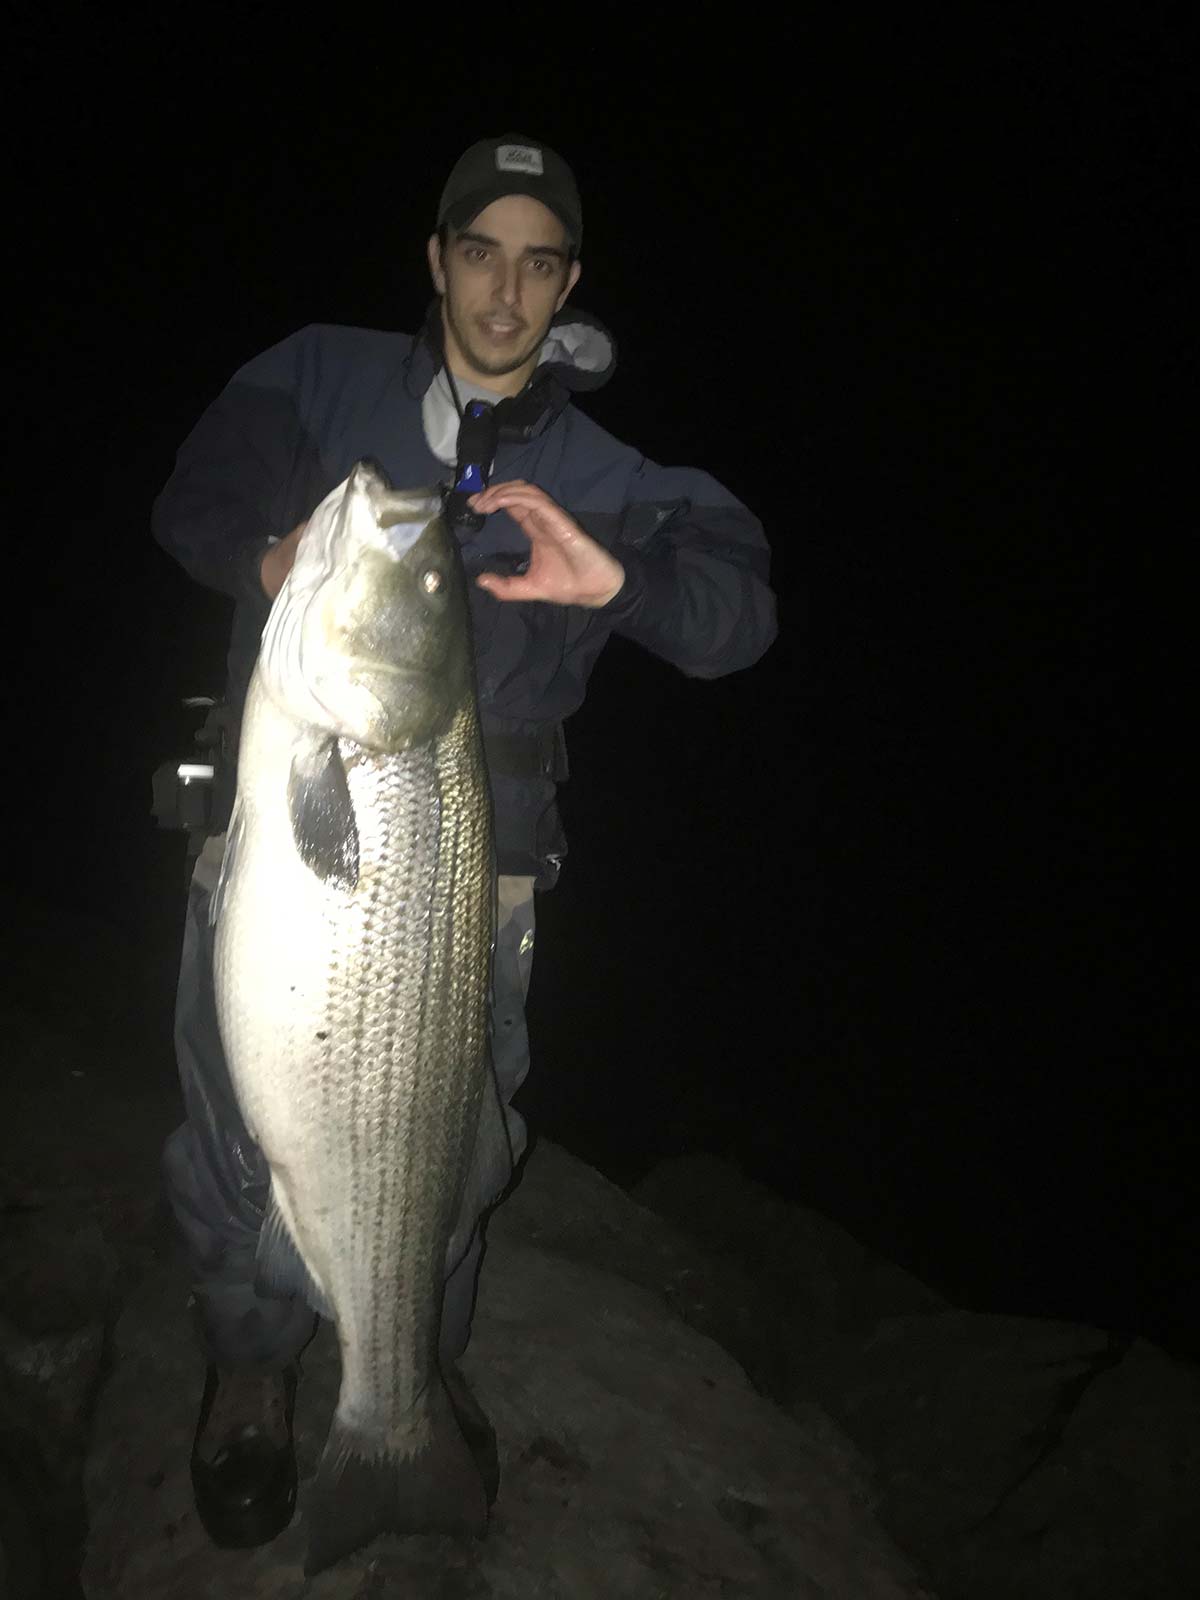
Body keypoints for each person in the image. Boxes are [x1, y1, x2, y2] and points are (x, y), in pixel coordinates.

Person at [153, 131, 777, 1549]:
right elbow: (191, 502)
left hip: (468, 881)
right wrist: (280, 561)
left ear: (569, 287)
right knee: (232, 1130)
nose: (506, 290)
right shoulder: (316, 372)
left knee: (448, 1148)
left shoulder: (608, 470)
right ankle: (252, 1367)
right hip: (287, 839)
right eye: (480, 252)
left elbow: (741, 615)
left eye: (538, 262)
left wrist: (612, 577)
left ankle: (399, 1391)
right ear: (435, 261)